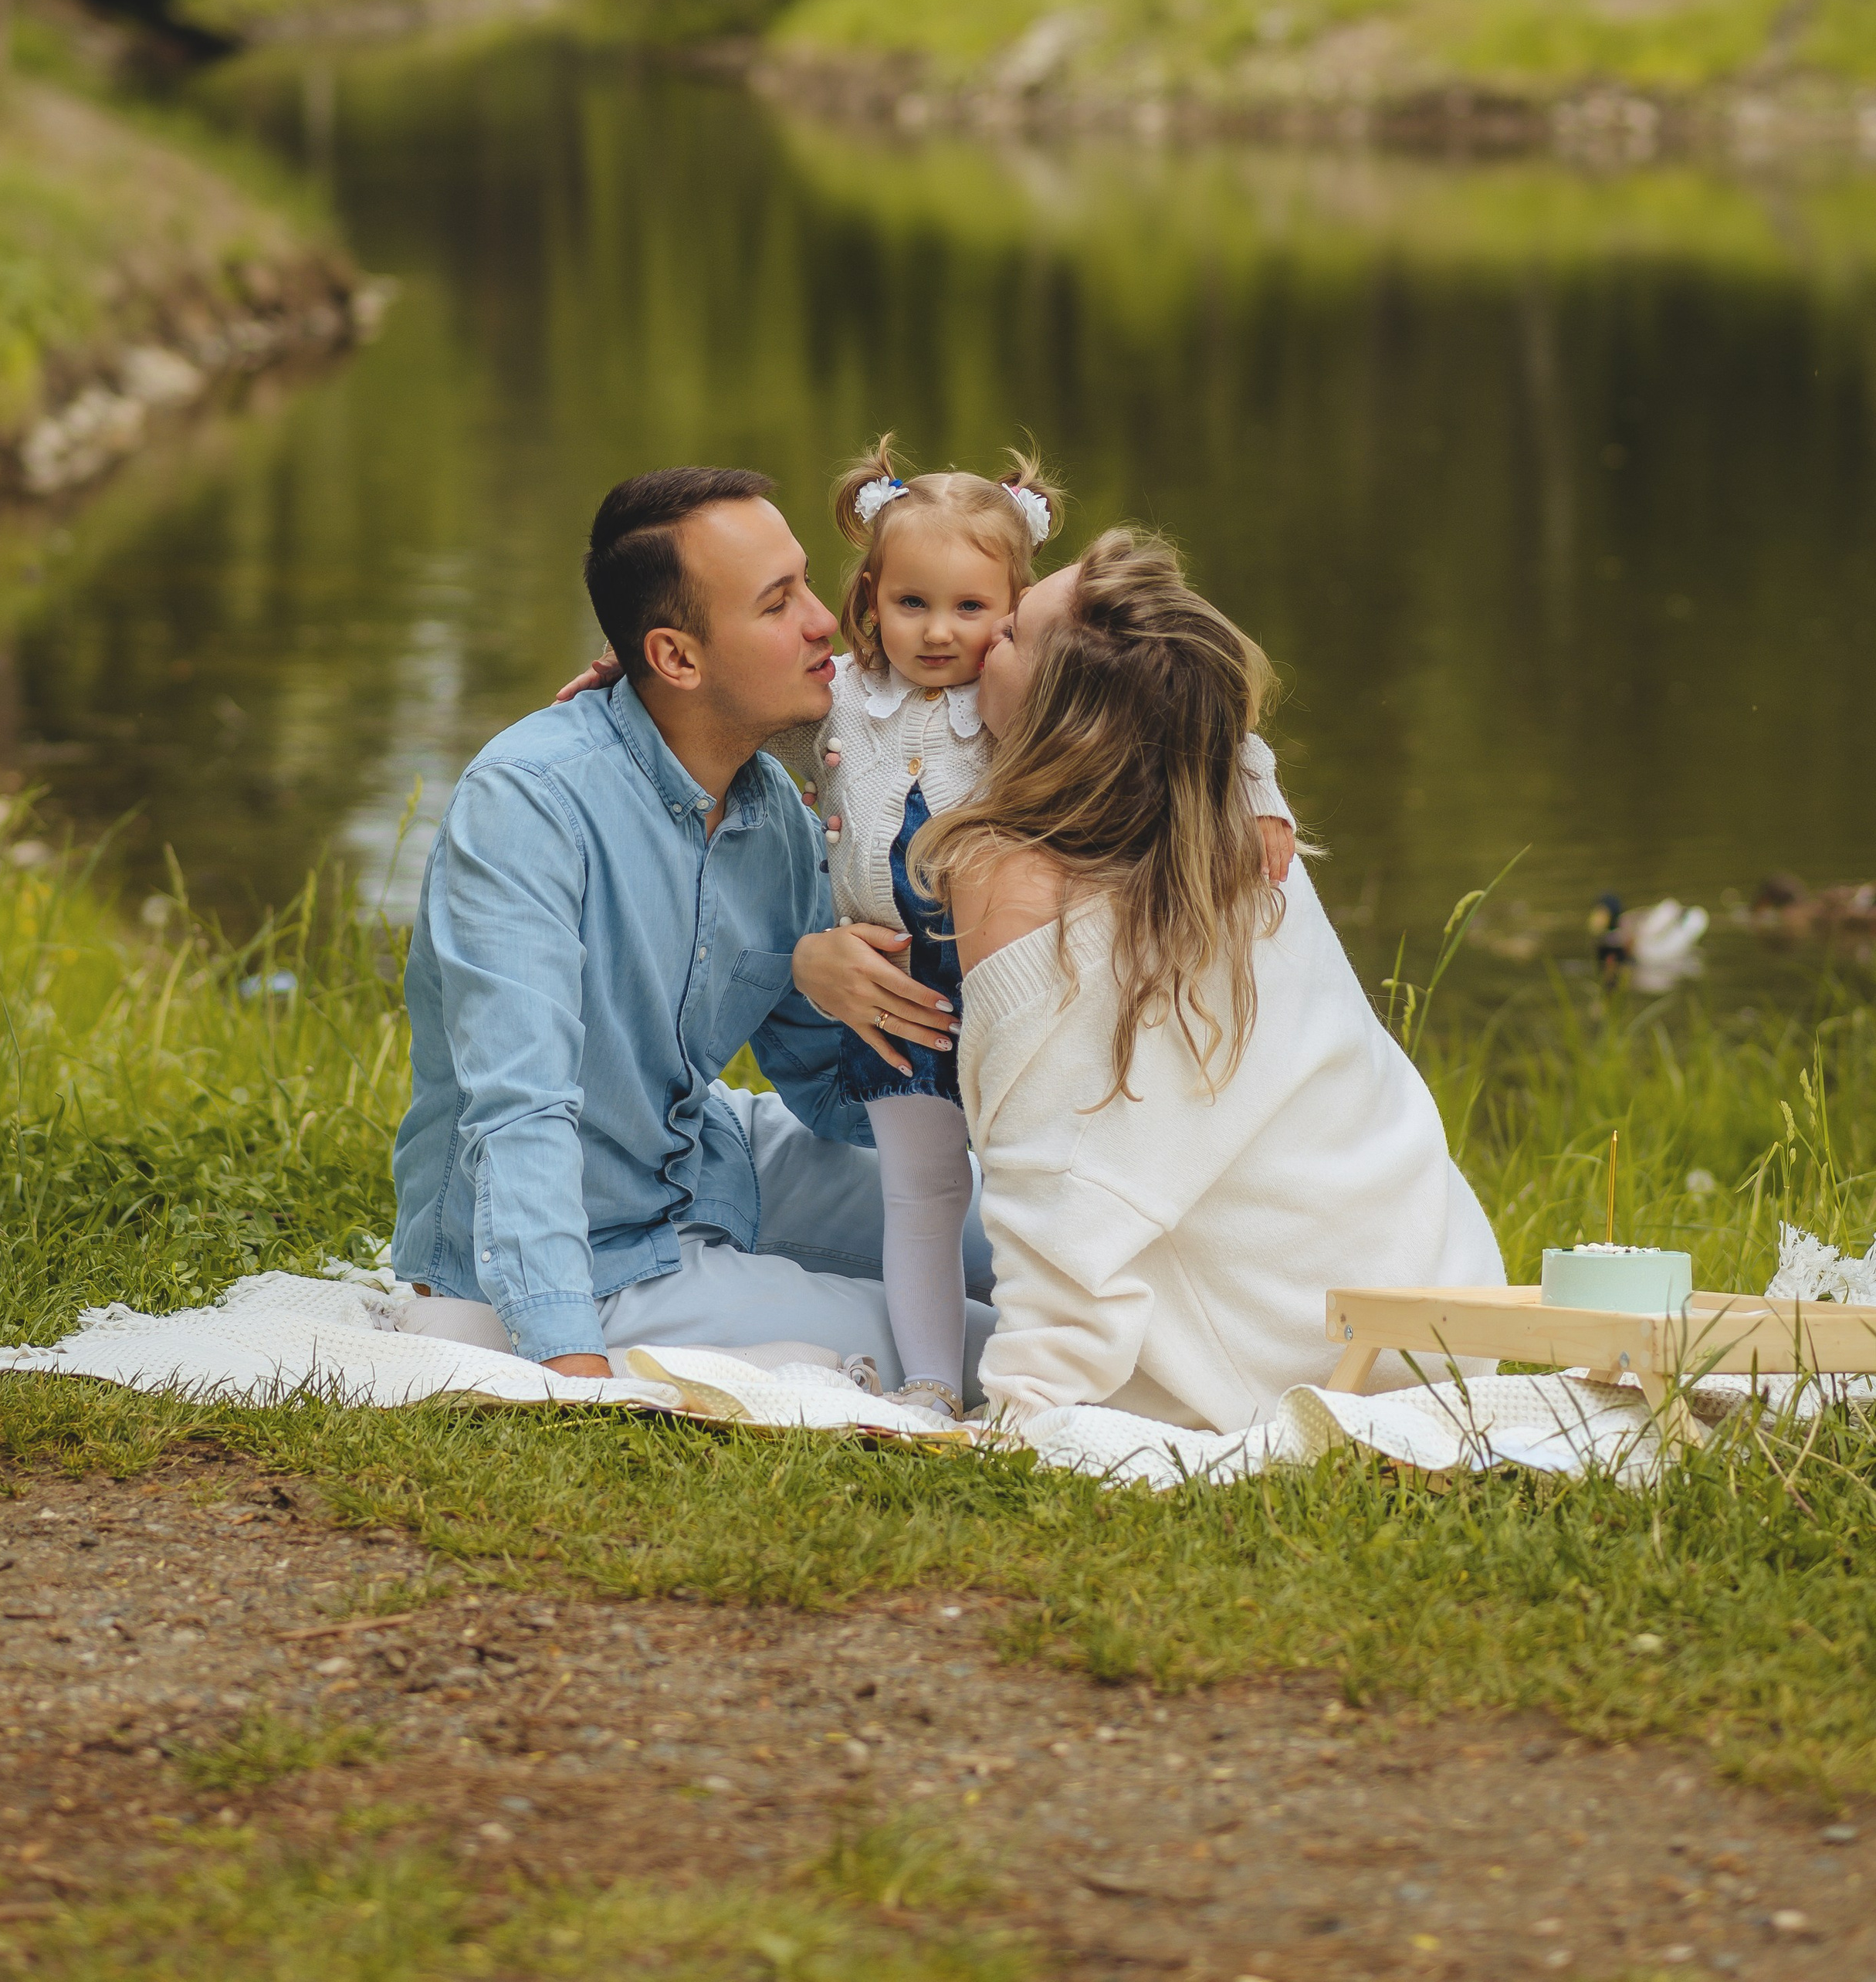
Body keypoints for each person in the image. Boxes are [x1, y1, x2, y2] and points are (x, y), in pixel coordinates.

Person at [388, 466, 999, 1385]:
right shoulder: (529, 805)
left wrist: (872, 990)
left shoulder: (777, 813)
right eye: (777, 601)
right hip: (595, 1252)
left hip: (718, 1156)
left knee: (1050, 1242)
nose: (825, 618)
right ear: (675, 658)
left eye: (803, 581)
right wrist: (567, 1360)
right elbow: (520, 1109)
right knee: (980, 1343)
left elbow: (836, 1098)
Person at [919, 529, 1505, 1433]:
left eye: (1008, 635)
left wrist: (1027, 1405)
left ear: (1054, 720)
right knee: (897, 1223)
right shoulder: (1228, 813)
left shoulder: (1017, 878)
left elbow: (1057, 1186)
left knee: (867, 1291)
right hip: (1445, 1300)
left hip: (1283, 1355)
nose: (982, 628)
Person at [768, 435, 1295, 1425]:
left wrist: (1255, 784)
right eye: (910, 603)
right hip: (899, 990)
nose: (937, 633)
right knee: (921, 1193)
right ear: (868, 597)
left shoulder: (1026, 696)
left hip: (1013, 985)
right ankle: (931, 1378)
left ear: (1014, 604)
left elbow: (1180, 708)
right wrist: (633, 675)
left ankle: (1053, 1357)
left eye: (971, 609)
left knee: (1029, 1183)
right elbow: (735, 700)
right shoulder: (839, 701)